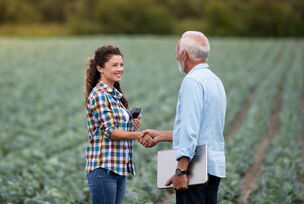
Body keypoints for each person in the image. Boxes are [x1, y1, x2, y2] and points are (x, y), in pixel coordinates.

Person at [142, 31, 227, 204]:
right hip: (213, 168)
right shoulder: (215, 80)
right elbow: (204, 129)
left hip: (194, 171)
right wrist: (160, 135)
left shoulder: (192, 81)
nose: (176, 57)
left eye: (177, 52)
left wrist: (181, 171)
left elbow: (190, 130)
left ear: (184, 54)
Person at [84, 45, 154, 204]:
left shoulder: (114, 96)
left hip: (118, 166)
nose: (120, 69)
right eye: (114, 65)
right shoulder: (100, 95)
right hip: (104, 167)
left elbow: (115, 129)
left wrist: (131, 127)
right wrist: (139, 135)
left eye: (121, 64)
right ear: (100, 68)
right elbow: (111, 132)